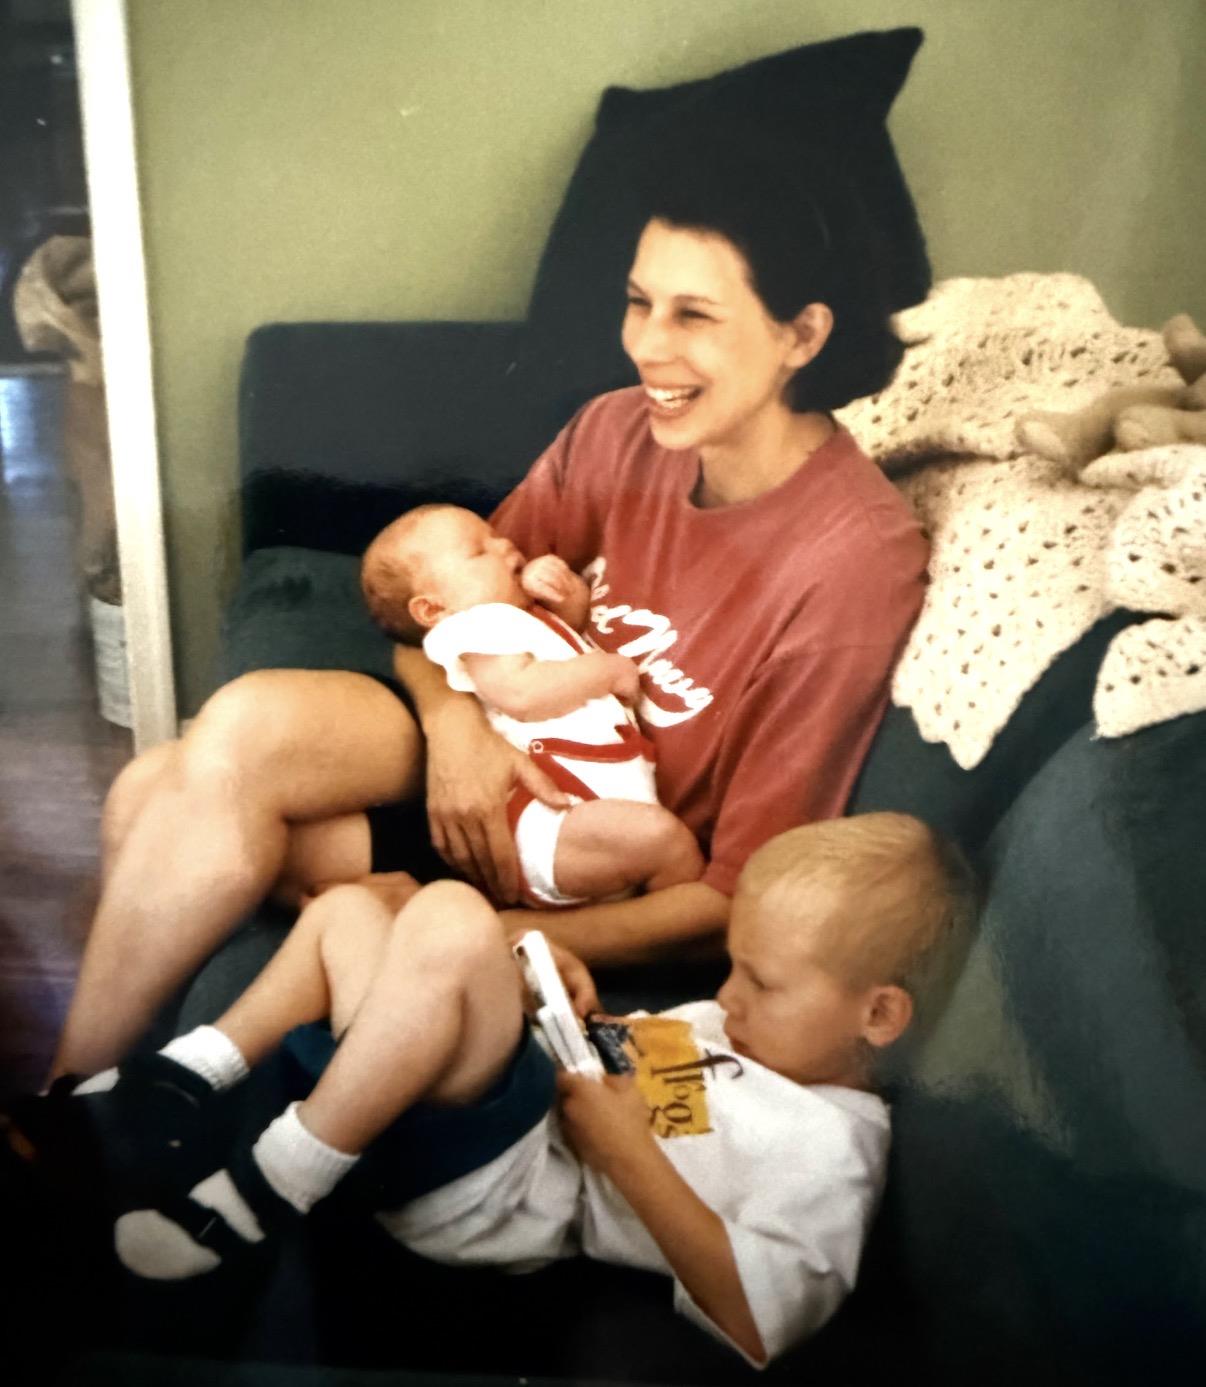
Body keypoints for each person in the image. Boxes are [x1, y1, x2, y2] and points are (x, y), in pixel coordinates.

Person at [43, 147, 930, 1091]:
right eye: (639, 302)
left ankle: (78, 1107)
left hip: (592, 846)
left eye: (694, 315)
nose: (646, 346)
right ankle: (85, 1104)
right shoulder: (620, 432)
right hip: (498, 763)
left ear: (803, 334)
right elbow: (437, 617)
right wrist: (456, 730)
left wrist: (501, 930)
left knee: (157, 792)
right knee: (198, 757)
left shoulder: (853, 565)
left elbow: (735, 895)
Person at [100, 813, 975, 1368]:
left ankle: (267, 1186)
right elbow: (617, 1057)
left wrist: (626, 1153)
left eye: (763, 980)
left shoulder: (832, 1148)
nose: (727, 993)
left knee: (450, 916)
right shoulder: (733, 1026)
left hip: (500, 1188)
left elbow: (762, 1319)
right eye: (734, 966)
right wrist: (552, 993)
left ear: (880, 1013)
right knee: (352, 912)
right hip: (495, 1096)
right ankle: (185, 1076)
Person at [360, 502, 704, 908]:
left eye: (495, 536)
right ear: (434, 609)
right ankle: (676, 933)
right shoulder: (475, 626)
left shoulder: (517, 617)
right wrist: (606, 670)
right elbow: (522, 693)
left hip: (593, 806)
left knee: (651, 847)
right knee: (665, 843)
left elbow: (565, 642)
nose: (505, 544)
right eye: (479, 551)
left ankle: (646, 922)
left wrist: (565, 596)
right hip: (552, 822)